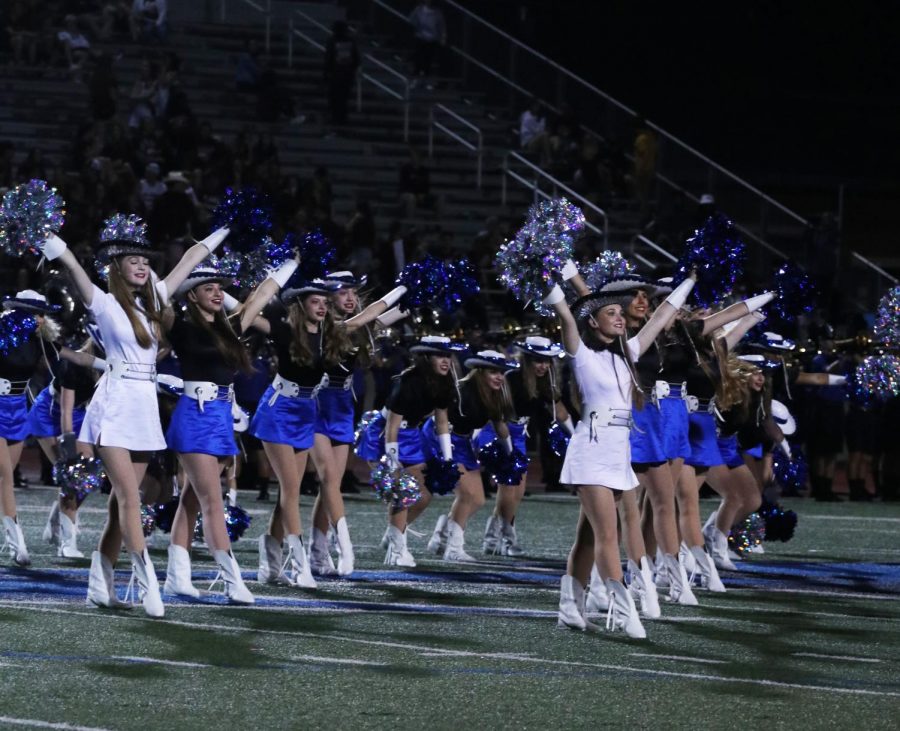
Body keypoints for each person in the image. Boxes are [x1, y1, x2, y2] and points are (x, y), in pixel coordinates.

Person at [38, 214, 230, 618]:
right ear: (117, 268)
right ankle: (148, 586)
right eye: (134, 261)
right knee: (128, 498)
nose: (143, 267)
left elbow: (190, 260)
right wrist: (52, 242)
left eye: (146, 261)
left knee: (121, 506)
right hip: (114, 405)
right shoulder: (104, 303)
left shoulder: (156, 299)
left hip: (144, 405)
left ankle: (99, 582)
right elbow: (74, 268)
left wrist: (228, 228)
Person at [542, 266, 696, 638]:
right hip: (591, 455)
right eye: (610, 314)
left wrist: (690, 282)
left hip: (618, 455)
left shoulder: (625, 355)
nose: (619, 319)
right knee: (609, 535)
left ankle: (569, 607)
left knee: (590, 537)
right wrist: (544, 275)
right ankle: (626, 610)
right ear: (593, 323)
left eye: (619, 314)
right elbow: (565, 313)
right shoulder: (582, 355)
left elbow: (660, 318)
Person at [251, 272, 408, 588]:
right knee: (299, 488)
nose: (324, 306)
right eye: (318, 300)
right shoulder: (289, 329)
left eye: (326, 301)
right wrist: (277, 276)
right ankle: (303, 564)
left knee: (294, 490)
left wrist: (408, 294)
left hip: (317, 408)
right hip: (288, 408)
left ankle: (277, 559)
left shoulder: (333, 332)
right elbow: (248, 312)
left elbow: (374, 314)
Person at [160, 258, 283, 604]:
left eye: (220, 288)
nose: (217, 293)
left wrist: (291, 261)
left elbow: (262, 296)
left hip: (220, 417)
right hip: (194, 416)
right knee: (213, 502)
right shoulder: (180, 325)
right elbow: (159, 295)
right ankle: (232, 581)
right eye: (208, 288)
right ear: (192, 295)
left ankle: (176, 577)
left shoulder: (230, 327)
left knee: (191, 500)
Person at [356, 335, 463, 567]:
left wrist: (448, 459)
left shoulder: (444, 382)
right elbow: (391, 427)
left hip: (411, 436)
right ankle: (397, 550)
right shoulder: (408, 381)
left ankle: (394, 533)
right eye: (439, 356)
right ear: (426, 357)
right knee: (403, 492)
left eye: (448, 355)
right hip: (384, 436)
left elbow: (442, 422)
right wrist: (393, 464)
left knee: (423, 497)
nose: (446, 361)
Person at [478, 337, 572, 556]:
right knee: (508, 488)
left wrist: (576, 438)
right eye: (537, 361)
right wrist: (508, 448)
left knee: (516, 492)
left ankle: (492, 537)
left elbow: (561, 412)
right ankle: (507, 540)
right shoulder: (511, 379)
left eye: (546, 361)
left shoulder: (545, 382)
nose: (542, 365)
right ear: (527, 360)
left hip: (518, 434)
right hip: (498, 432)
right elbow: (497, 415)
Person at [425, 350, 520, 562]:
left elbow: (500, 426)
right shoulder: (461, 391)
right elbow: (439, 420)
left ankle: (442, 533)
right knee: (466, 495)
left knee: (477, 498)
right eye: (493, 372)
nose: (499, 377)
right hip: (441, 438)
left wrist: (511, 453)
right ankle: (453, 548)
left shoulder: (494, 394)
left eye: (501, 373)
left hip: (462, 441)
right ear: (479, 372)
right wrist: (447, 457)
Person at [324, 21, 359, 128]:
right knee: (343, 99)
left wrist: (326, 73)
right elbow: (357, 60)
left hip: (336, 74)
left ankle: (335, 119)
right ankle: (342, 119)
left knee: (334, 98)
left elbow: (328, 58)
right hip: (347, 75)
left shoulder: (332, 41)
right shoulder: (350, 42)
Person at [408, 0, 446, 86]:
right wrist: (417, 26)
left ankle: (426, 79)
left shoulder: (437, 13)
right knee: (418, 59)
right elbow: (411, 19)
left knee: (428, 60)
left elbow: (442, 26)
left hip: (432, 39)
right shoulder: (419, 9)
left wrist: (442, 38)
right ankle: (415, 79)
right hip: (420, 37)